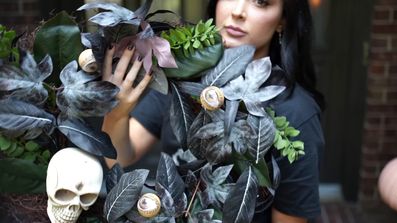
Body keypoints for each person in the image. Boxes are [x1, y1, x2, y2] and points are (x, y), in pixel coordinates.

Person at [102, 0, 325, 222]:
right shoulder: (182, 78)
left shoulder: (296, 113)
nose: (238, 11)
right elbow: (120, 158)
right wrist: (117, 113)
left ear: (283, 20)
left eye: (261, 2)